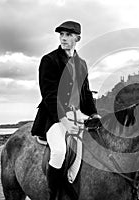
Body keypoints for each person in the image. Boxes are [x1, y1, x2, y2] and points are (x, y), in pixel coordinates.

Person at [31, 20, 100, 200]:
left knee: (86, 154)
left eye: (68, 35)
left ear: (78, 38)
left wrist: (94, 113)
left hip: (77, 114)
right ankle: (54, 195)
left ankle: (70, 183)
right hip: (53, 116)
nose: (63, 38)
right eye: (61, 34)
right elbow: (49, 94)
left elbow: (85, 93)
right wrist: (64, 120)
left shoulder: (82, 64)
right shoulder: (49, 60)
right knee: (60, 151)